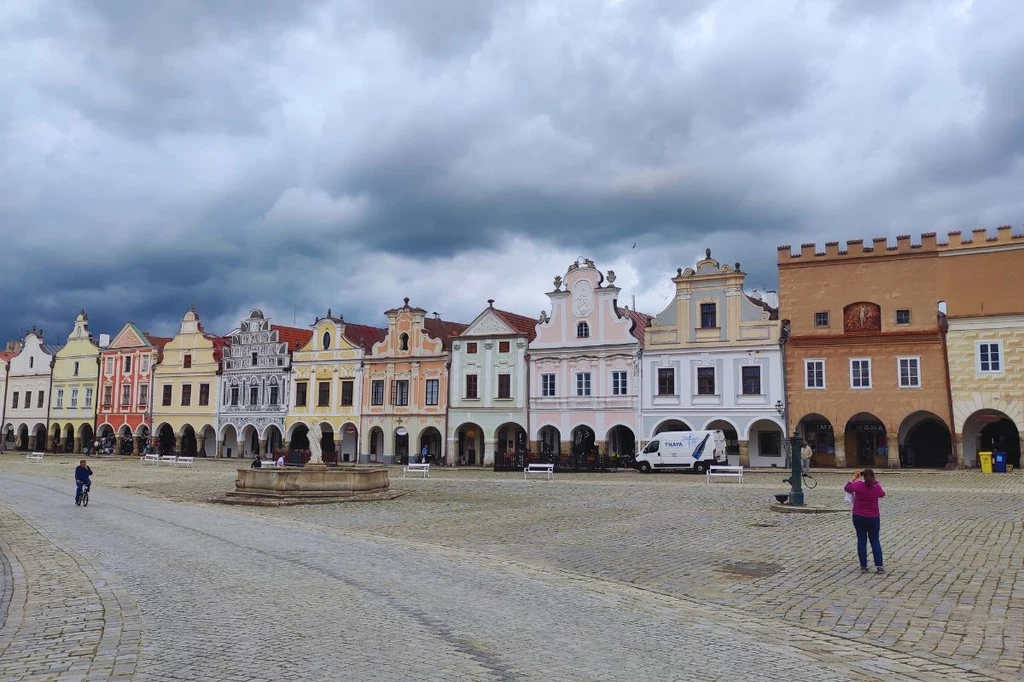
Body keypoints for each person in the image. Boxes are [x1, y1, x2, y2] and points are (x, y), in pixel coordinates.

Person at [844, 469, 886, 573]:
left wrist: (854, 477)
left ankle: (863, 566)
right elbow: (882, 494)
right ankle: (879, 566)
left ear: (863, 477)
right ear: (873, 477)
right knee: (875, 540)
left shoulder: (858, 485)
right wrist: (875, 482)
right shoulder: (876, 487)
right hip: (873, 517)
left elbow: (847, 488)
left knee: (861, 540)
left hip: (858, 516)